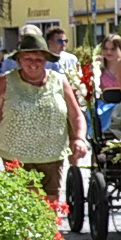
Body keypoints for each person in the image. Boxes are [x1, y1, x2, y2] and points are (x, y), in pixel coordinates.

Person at [0, 27, 87, 202]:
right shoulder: (5, 82)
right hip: (15, 155)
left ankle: (49, 231)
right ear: (19, 60)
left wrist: (79, 138)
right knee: (21, 205)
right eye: (28, 58)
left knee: (50, 206)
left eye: (39, 59)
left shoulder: (59, 81)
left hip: (51, 155)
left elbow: (76, 115)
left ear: (46, 60)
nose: (33, 63)